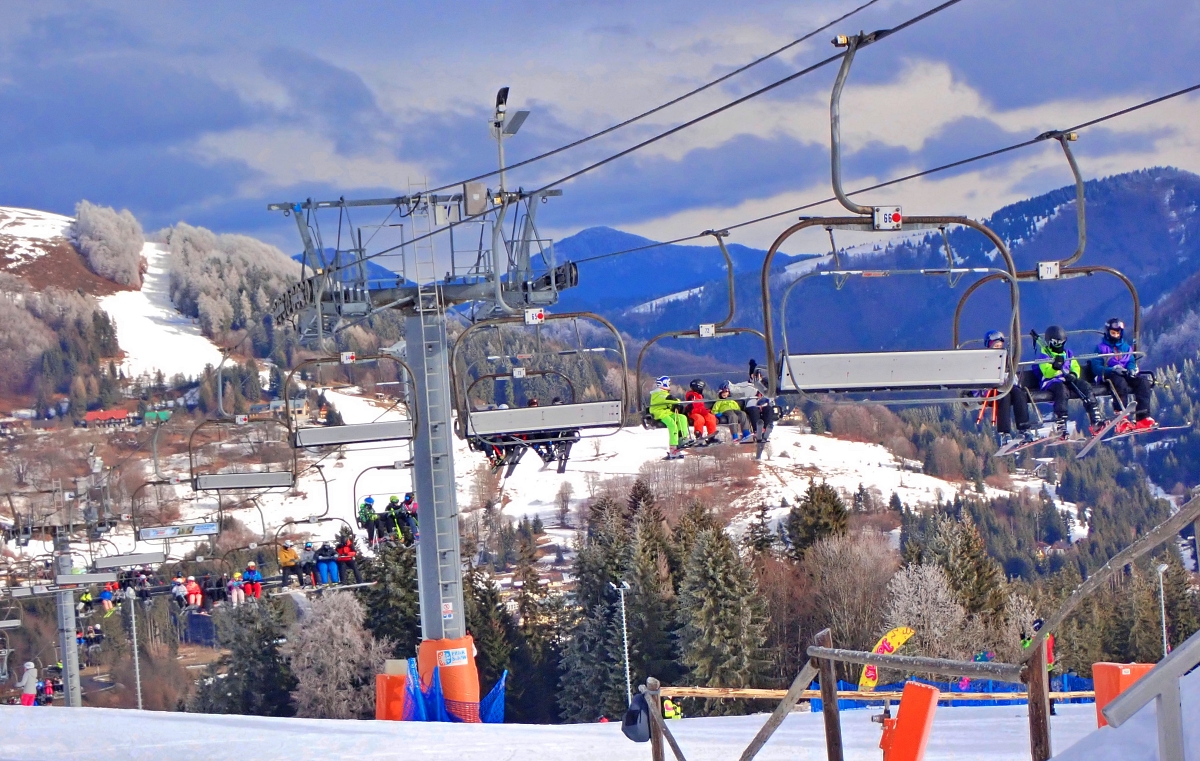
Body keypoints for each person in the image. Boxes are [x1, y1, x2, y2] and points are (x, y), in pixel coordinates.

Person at [1034, 326, 1103, 436]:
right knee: (1061, 391)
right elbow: (1047, 372)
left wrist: (1073, 374)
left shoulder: (1068, 353)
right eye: (1056, 343)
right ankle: (1061, 423)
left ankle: (1095, 416)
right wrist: (1055, 368)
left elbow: (1074, 365)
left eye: (1061, 342)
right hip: (1051, 382)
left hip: (1067, 379)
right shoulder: (1044, 355)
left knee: (1084, 386)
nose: (1059, 345)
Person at [1090, 318, 1156, 433]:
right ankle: (1121, 417)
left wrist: (1131, 369)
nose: (1115, 335)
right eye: (1113, 333)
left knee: (1143, 382)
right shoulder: (1100, 348)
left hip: (1124, 373)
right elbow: (1096, 367)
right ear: (1108, 332)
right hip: (1109, 375)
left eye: (1117, 333)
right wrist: (1112, 369)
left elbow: (1131, 361)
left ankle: (1143, 417)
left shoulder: (1126, 347)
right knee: (1120, 383)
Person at [980, 330, 1035, 446]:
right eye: (996, 346)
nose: (998, 349)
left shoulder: (1006, 359)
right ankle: (1005, 433)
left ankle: (1024, 428)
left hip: (1008, 385)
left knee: (1019, 394)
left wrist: (1012, 383)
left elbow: (1011, 375)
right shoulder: (984, 360)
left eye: (1000, 346)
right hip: (994, 388)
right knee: (1004, 397)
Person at [648, 376, 692, 459]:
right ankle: (673, 447)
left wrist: (675, 406)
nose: (669, 385)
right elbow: (667, 399)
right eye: (668, 383)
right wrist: (675, 401)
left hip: (668, 412)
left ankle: (682, 438)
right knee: (672, 425)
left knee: (682, 417)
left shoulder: (665, 394)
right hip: (660, 414)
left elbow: (670, 402)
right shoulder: (657, 394)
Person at [746, 360, 777, 441]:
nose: (757, 376)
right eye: (754, 375)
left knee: (769, 409)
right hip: (752, 405)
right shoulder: (746, 385)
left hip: (764, 405)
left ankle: (768, 427)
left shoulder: (765, 385)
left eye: (758, 375)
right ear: (751, 375)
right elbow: (735, 388)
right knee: (754, 410)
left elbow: (772, 394)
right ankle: (757, 430)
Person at [684, 379, 720, 445]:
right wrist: (703, 411)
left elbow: (701, 406)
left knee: (711, 417)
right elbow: (692, 407)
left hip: (701, 411)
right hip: (693, 413)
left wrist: (706, 411)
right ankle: (698, 435)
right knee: (700, 419)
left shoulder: (700, 395)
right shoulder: (691, 395)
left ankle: (711, 436)